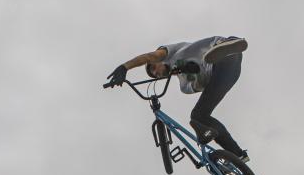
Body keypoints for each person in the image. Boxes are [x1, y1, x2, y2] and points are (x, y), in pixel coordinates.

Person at [104, 36, 250, 161]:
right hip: (226, 74)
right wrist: (192, 72)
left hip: (225, 54)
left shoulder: (169, 53)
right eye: (154, 75)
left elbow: (150, 57)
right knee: (199, 116)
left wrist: (125, 67)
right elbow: (201, 85)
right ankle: (238, 154)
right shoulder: (184, 84)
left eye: (154, 68)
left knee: (207, 56)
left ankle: (228, 45)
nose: (156, 73)